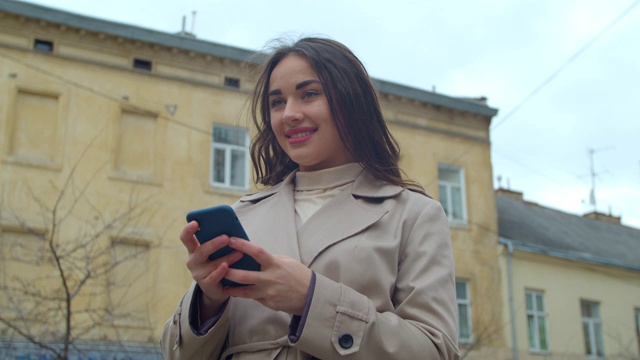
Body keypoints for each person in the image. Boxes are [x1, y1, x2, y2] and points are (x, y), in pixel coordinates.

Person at [161, 37, 459, 360]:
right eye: (277, 102)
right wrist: (208, 301)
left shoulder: (413, 215)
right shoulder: (244, 216)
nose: (289, 114)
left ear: (350, 101)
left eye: (309, 94)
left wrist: (311, 299)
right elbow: (176, 354)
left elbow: (435, 350)